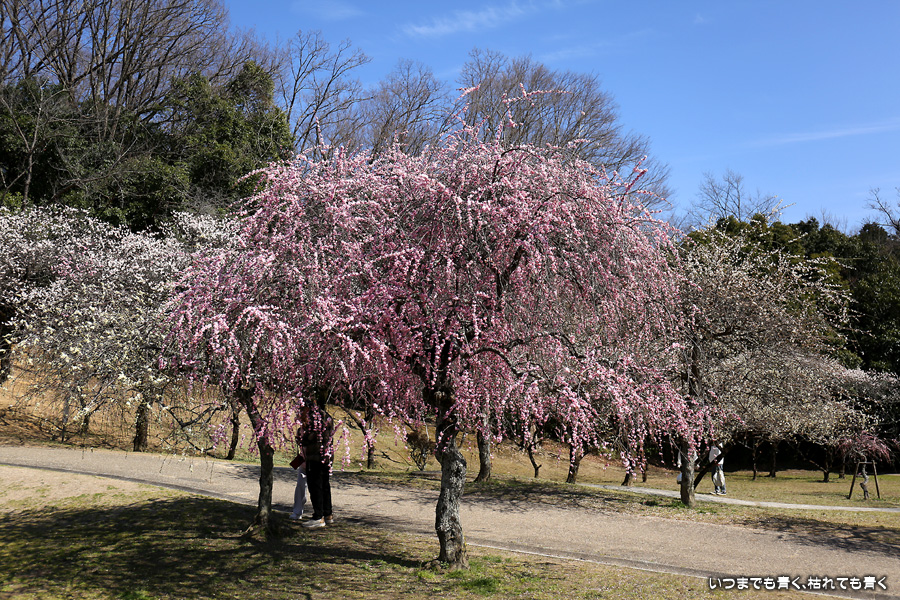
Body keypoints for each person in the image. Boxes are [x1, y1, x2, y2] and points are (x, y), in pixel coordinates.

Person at [302, 399, 334, 528]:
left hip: (315, 457)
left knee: (315, 487)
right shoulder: (326, 417)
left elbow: (309, 438)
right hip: (326, 457)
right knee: (325, 485)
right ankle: (328, 514)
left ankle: (318, 516)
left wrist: (302, 434)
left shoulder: (313, 419)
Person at [289, 415, 308, 520]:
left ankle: (320, 514)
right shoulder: (300, 430)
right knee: (300, 487)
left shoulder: (316, 430)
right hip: (303, 463)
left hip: (314, 463)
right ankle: (297, 512)